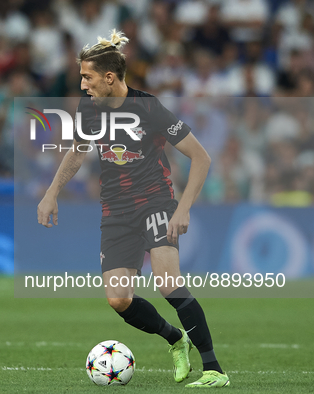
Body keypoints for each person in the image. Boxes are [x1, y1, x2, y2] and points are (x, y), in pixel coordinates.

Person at [36, 30, 229, 388]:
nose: (82, 85)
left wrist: (182, 209)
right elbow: (78, 150)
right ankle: (176, 339)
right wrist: (52, 192)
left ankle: (214, 369)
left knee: (169, 284)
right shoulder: (89, 110)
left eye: (87, 77)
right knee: (118, 299)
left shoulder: (149, 108)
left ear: (109, 77)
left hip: (155, 200)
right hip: (115, 210)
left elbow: (201, 157)